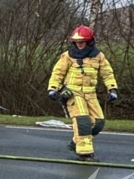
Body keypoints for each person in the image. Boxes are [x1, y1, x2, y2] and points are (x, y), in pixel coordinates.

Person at [47, 25, 118, 161]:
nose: (79, 44)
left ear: (89, 41)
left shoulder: (99, 56)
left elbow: (107, 73)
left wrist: (112, 89)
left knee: (98, 123)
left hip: (91, 94)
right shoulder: (67, 56)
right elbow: (57, 73)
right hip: (73, 93)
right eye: (76, 42)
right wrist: (52, 88)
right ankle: (85, 153)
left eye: (82, 42)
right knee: (83, 122)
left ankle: (75, 142)